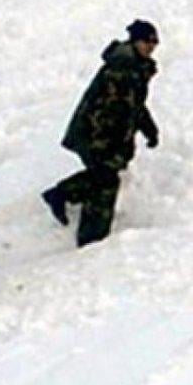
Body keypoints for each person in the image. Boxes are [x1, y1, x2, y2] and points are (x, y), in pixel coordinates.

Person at [42, 20, 160, 247]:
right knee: (105, 182)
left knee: (102, 177)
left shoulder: (135, 67)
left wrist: (149, 129)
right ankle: (91, 241)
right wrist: (105, 145)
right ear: (136, 41)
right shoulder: (122, 69)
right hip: (95, 136)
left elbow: (134, 105)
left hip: (105, 137)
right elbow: (105, 111)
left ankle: (61, 194)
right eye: (148, 41)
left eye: (155, 42)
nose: (152, 46)